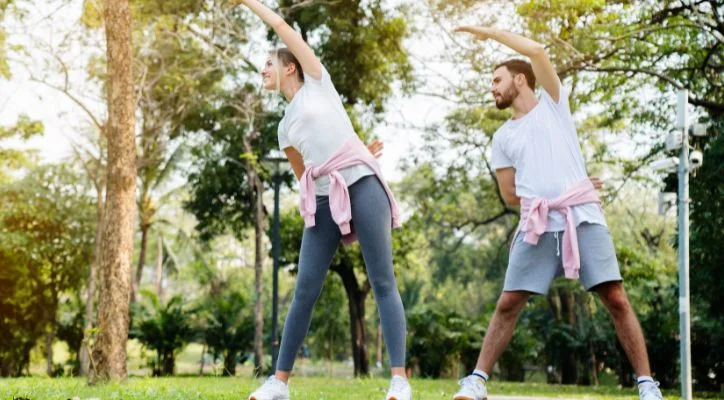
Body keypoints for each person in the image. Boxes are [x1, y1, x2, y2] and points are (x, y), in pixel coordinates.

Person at [450, 26, 664, 400]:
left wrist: (486, 32)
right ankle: (476, 380)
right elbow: (510, 194)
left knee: (615, 297)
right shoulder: (503, 139)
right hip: (538, 224)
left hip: (581, 216)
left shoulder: (553, 103)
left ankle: (647, 385)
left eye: (497, 80)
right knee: (508, 303)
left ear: (520, 79)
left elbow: (535, 49)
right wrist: (545, 200)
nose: (492, 88)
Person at [234, 1, 411, 400]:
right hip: (325, 201)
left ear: (289, 66)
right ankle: (279, 383)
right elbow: (305, 175)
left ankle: (399, 380)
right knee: (305, 290)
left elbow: (281, 25)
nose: (262, 71)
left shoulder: (317, 80)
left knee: (382, 280)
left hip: (363, 185)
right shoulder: (284, 128)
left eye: (268, 63)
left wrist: (248, 3)